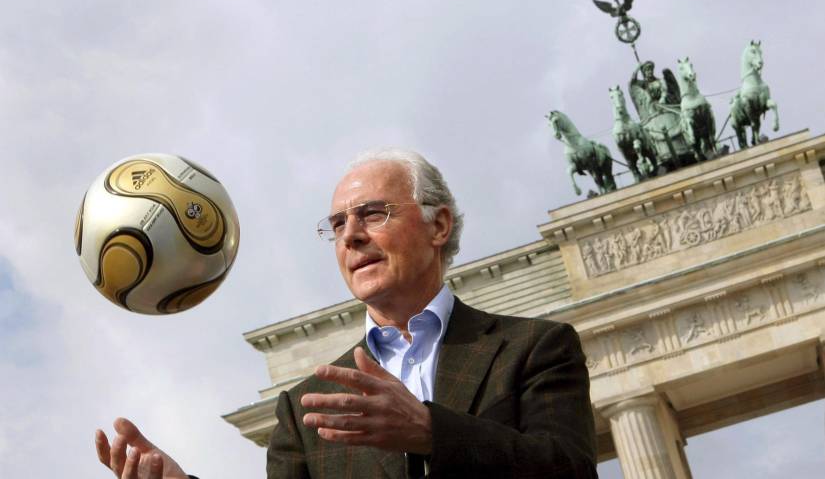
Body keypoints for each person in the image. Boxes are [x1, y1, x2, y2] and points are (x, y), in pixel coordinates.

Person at [95, 150, 597, 478]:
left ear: (438, 225)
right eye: (337, 224)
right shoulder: (304, 408)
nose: (351, 236)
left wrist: (430, 431)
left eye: (373, 213)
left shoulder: (535, 348)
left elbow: (569, 471)